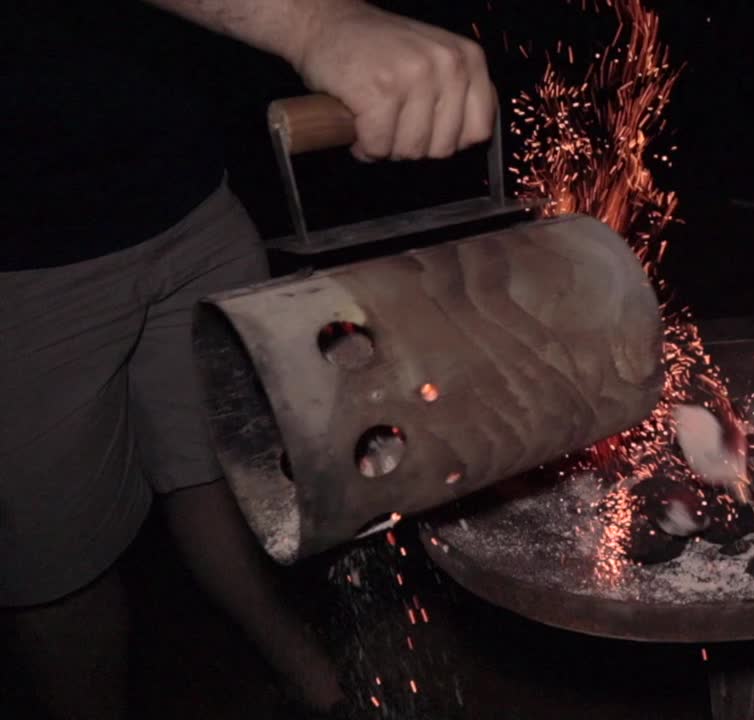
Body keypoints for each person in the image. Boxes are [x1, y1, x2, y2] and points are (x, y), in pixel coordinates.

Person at [0, 1, 496, 718]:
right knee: (58, 564)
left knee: (221, 467)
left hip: (189, 193)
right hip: (26, 256)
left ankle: (309, 677)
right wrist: (314, 23)